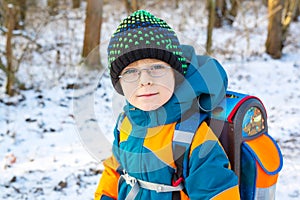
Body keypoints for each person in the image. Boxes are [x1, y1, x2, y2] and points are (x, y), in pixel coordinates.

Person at [94, 10, 240, 200]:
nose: (144, 80)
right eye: (130, 72)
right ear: (119, 83)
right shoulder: (125, 124)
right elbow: (113, 172)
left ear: (175, 75)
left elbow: (218, 193)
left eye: (156, 67)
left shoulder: (192, 136)